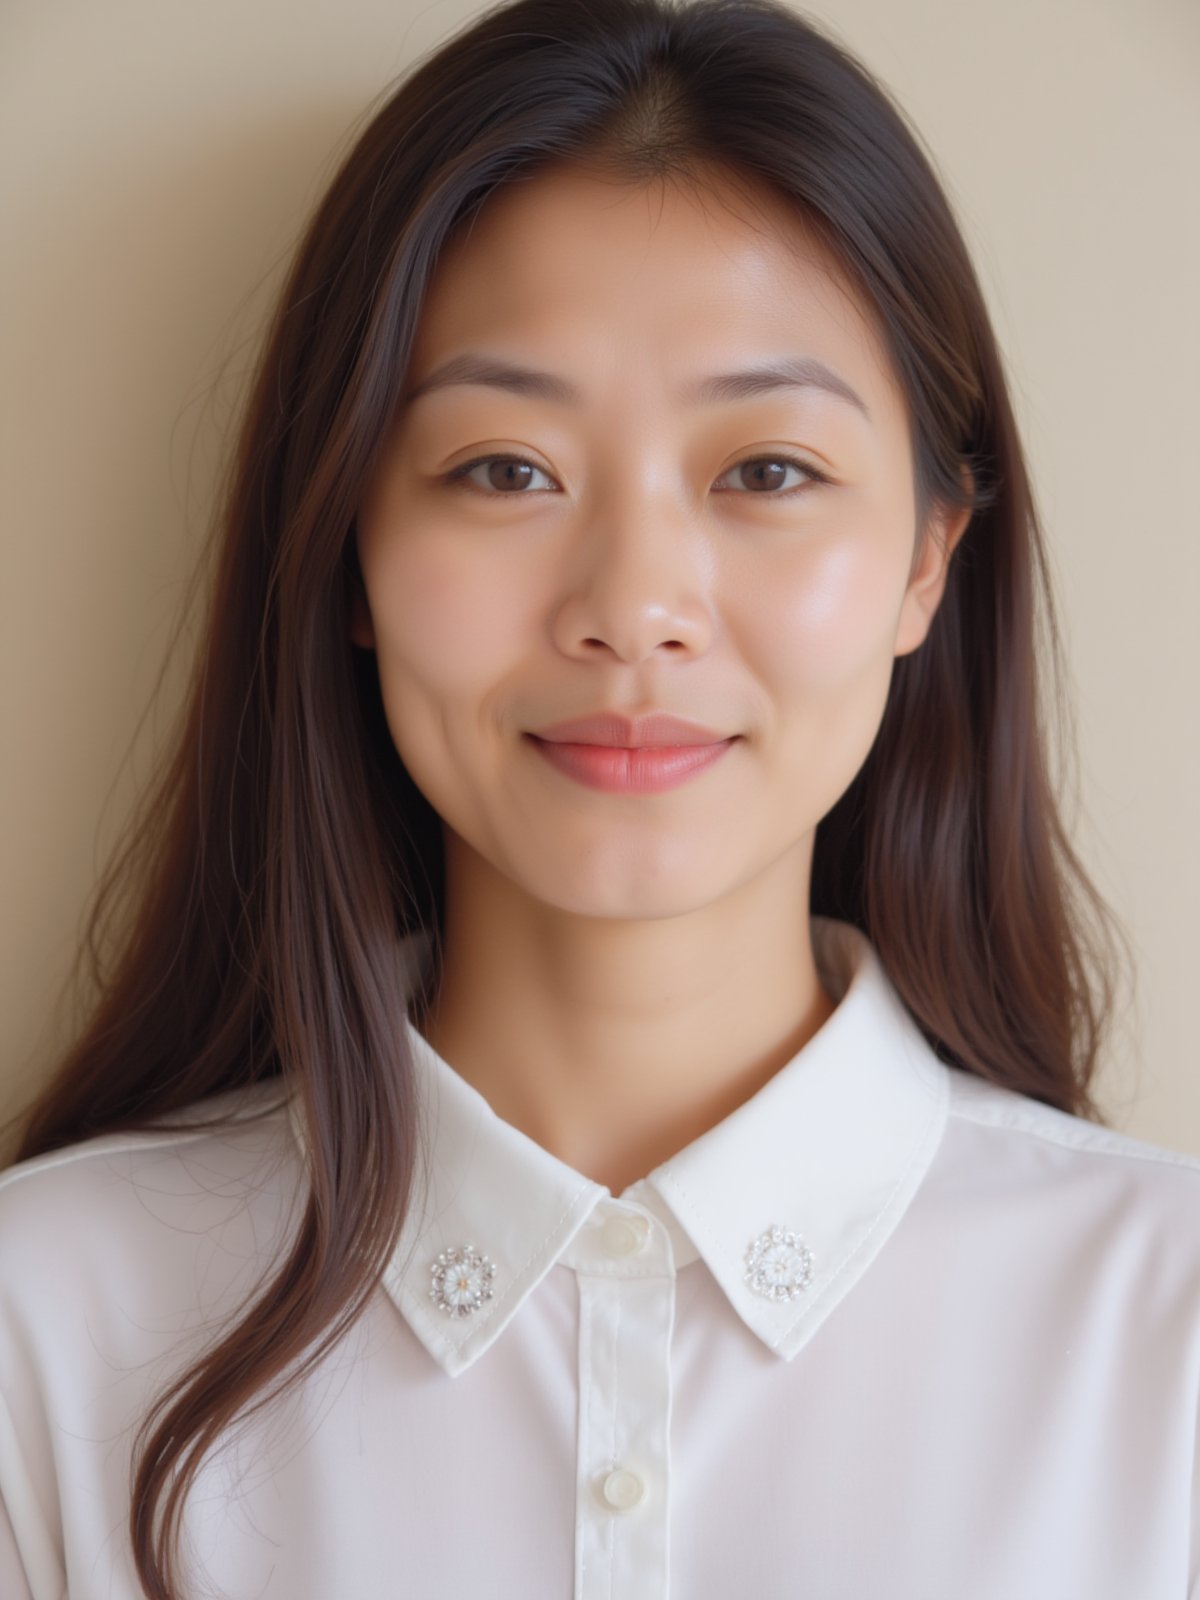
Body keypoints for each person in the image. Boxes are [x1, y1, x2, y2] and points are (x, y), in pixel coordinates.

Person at [1, 0, 1196, 1595]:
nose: (636, 607)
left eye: (765, 472)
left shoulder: (1167, 1333)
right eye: (504, 469)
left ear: (927, 558)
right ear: (347, 545)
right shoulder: (45, 1330)